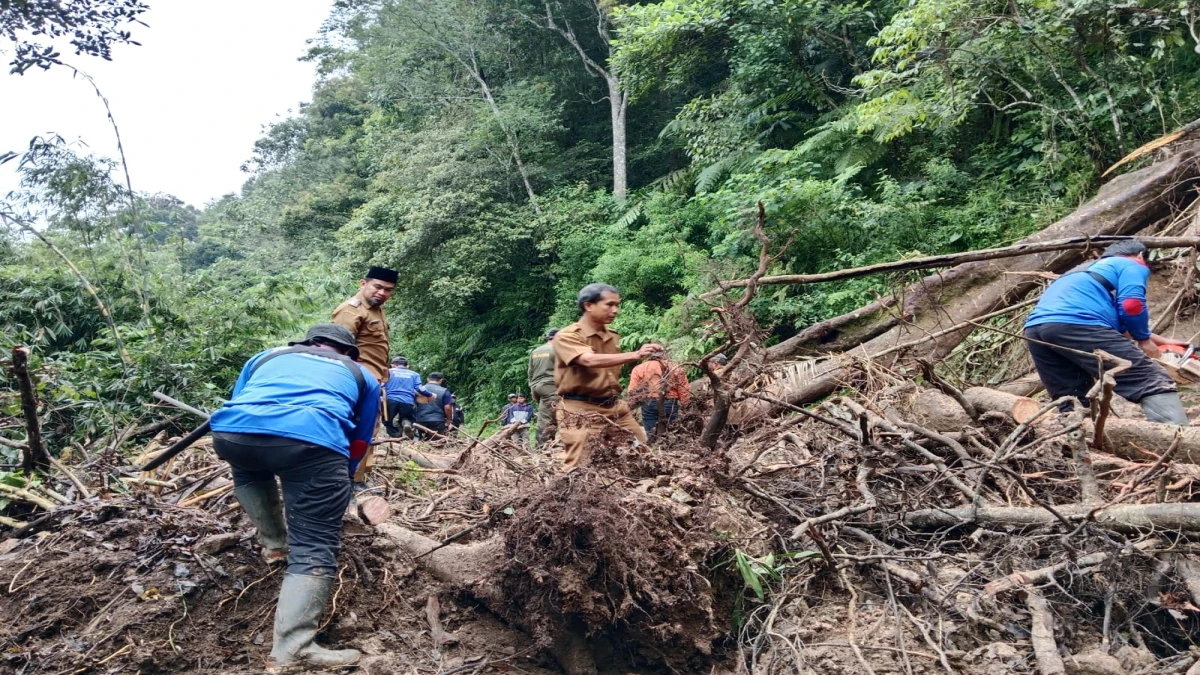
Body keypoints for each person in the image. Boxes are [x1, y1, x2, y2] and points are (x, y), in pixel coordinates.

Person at [208, 324, 380, 669]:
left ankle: (274, 544)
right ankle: (293, 651)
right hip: (311, 441)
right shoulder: (362, 375)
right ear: (347, 352)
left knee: (248, 463)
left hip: (231, 434)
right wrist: (340, 479)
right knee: (315, 545)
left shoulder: (265, 356)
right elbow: (360, 439)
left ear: (305, 344)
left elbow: (243, 400)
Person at [1024, 239, 1190, 425]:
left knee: (1073, 399)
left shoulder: (1081, 272)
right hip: (1077, 324)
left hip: (1035, 331)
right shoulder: (1131, 264)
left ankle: (1080, 447)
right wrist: (1143, 340)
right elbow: (1131, 305)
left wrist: (1163, 341)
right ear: (1140, 256)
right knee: (1150, 378)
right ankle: (1182, 443)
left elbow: (1120, 326)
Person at [553, 283, 663, 469]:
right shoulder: (567, 336)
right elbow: (588, 360)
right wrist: (636, 354)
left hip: (615, 408)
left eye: (617, 305)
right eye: (609, 304)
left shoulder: (612, 335)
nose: (615, 310)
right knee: (578, 467)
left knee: (643, 454)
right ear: (589, 306)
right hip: (581, 410)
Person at [331, 266, 397, 481]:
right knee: (358, 428)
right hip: (356, 381)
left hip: (372, 380)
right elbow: (336, 349)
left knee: (370, 429)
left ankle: (360, 476)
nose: (382, 293)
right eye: (377, 287)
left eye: (388, 289)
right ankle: (348, 478)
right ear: (363, 284)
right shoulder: (351, 311)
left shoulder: (376, 309)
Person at [627, 353, 691, 437]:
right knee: (671, 430)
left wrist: (631, 407)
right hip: (670, 402)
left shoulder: (639, 368)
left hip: (648, 402)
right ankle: (669, 448)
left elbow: (632, 391)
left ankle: (653, 447)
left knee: (651, 432)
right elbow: (683, 389)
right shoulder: (675, 367)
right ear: (663, 354)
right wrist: (686, 406)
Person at [528, 329, 560, 448]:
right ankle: (542, 446)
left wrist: (532, 389)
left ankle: (551, 444)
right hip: (550, 386)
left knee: (553, 415)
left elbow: (530, 372)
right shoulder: (557, 350)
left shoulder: (536, 351)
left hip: (537, 387)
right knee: (547, 418)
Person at [383, 356, 428, 438]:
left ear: (393, 365)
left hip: (391, 400)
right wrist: (430, 395)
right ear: (407, 366)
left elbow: (381, 386)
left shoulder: (388, 372)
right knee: (408, 417)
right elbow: (419, 388)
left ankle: (396, 436)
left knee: (388, 420)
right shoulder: (414, 374)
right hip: (408, 401)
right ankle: (406, 423)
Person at [414, 372, 455, 438]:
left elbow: (413, 404)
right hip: (438, 420)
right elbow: (447, 407)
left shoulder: (419, 390)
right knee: (437, 442)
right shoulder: (444, 391)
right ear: (441, 380)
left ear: (428, 379)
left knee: (422, 442)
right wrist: (449, 420)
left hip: (421, 420)